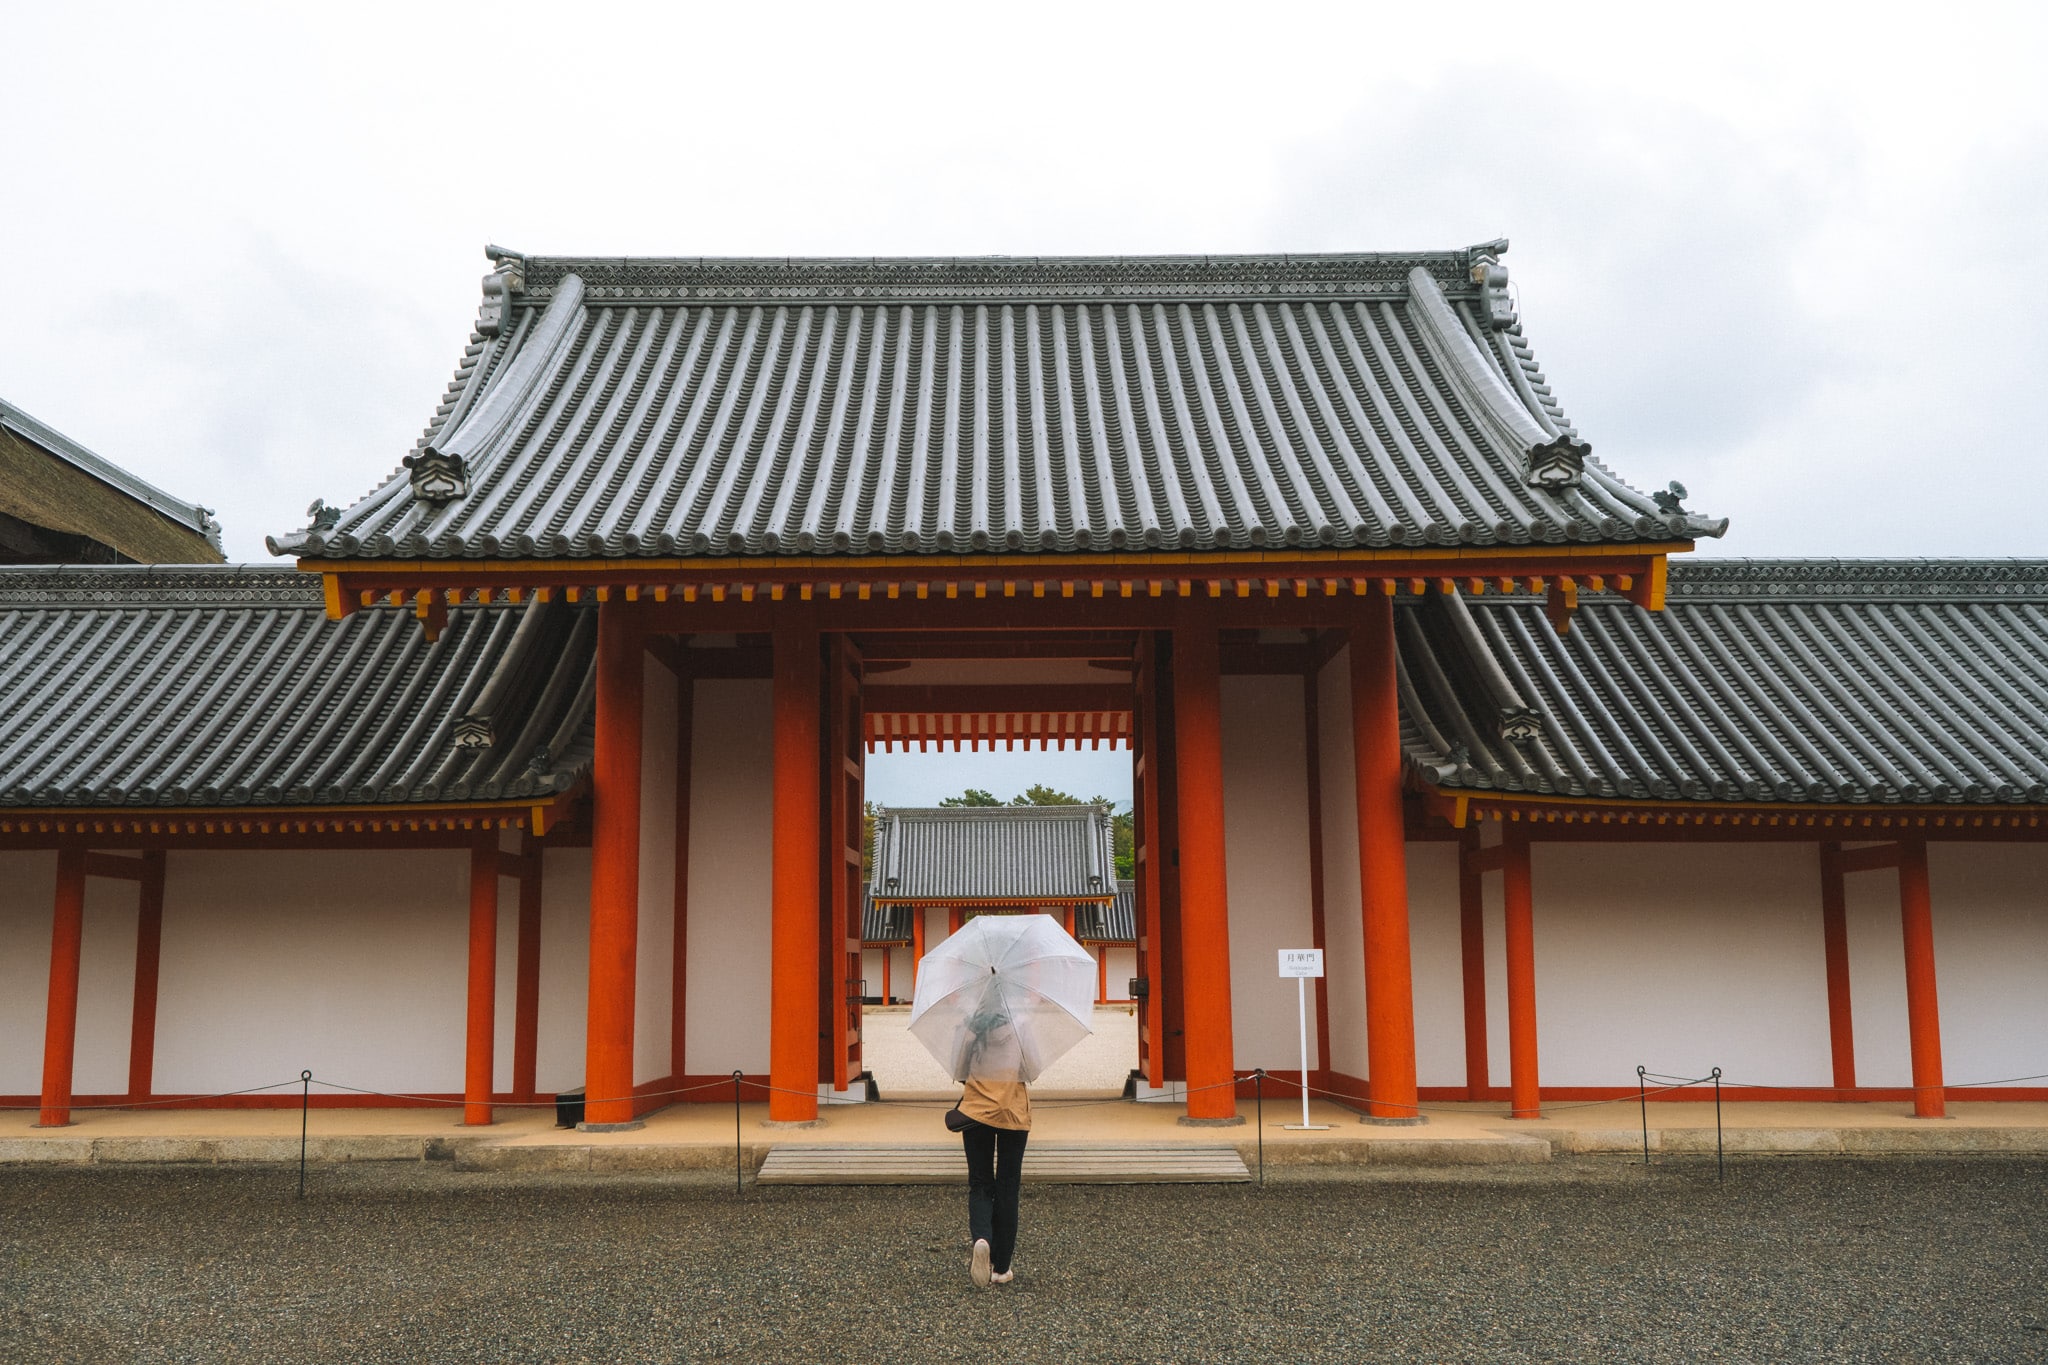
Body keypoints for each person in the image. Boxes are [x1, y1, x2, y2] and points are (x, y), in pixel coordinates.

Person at [956, 1007, 1030, 1288]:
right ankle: (1001, 1268)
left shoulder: (970, 1025)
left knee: (980, 1183)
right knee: (1008, 1187)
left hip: (976, 1111)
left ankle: (982, 1239)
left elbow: (959, 1071)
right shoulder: (1020, 1024)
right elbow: (1031, 1069)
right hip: (1013, 1111)